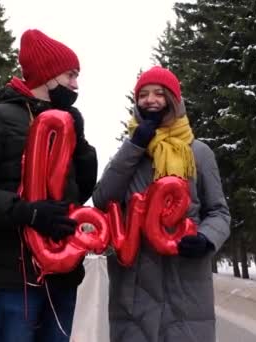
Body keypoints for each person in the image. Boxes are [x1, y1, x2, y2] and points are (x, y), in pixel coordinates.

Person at [0, 29, 97, 342]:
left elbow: (81, 191)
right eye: (71, 75)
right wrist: (27, 212)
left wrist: (80, 141)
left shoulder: (65, 123)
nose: (76, 85)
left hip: (62, 276)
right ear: (48, 74)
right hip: (16, 279)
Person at [92, 66, 230, 342]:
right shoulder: (129, 152)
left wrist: (205, 239)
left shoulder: (199, 153)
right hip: (133, 290)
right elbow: (102, 198)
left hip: (185, 286)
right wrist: (136, 145)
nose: (150, 100)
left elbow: (218, 211)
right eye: (143, 95)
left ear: (174, 100)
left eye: (159, 93)